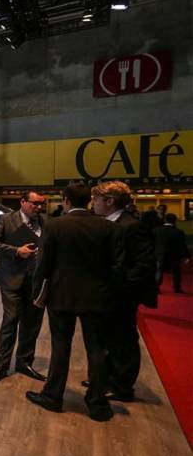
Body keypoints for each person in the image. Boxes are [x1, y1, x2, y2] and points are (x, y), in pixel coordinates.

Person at [27, 183, 122, 422]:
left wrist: (37, 293)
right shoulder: (108, 227)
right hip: (98, 298)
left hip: (62, 296)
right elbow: (116, 266)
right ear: (89, 200)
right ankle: (98, 404)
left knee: (61, 347)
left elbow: (43, 265)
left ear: (66, 200)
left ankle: (53, 396)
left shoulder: (55, 226)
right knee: (97, 351)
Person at [90, 181, 156, 402]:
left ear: (109, 201)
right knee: (109, 339)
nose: (93, 203)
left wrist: (120, 286)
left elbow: (144, 264)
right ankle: (105, 379)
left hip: (122, 296)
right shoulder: (108, 222)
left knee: (123, 340)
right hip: (107, 293)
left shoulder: (131, 226)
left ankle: (122, 387)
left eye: (96, 199)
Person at [0, 191, 47, 382]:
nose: (38, 208)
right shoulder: (5, 219)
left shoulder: (45, 221)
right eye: (35, 204)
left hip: (36, 280)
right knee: (10, 321)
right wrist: (16, 251)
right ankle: (1, 367)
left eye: (41, 204)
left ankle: (25, 363)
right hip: (11, 279)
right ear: (23, 202)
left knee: (32, 323)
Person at [153, 213, 190, 293]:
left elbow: (151, 243)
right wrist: (187, 256)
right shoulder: (179, 232)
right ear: (175, 221)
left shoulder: (156, 230)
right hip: (174, 255)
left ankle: (156, 287)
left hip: (160, 254)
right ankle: (177, 287)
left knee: (159, 271)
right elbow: (183, 245)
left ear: (164, 220)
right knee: (176, 272)